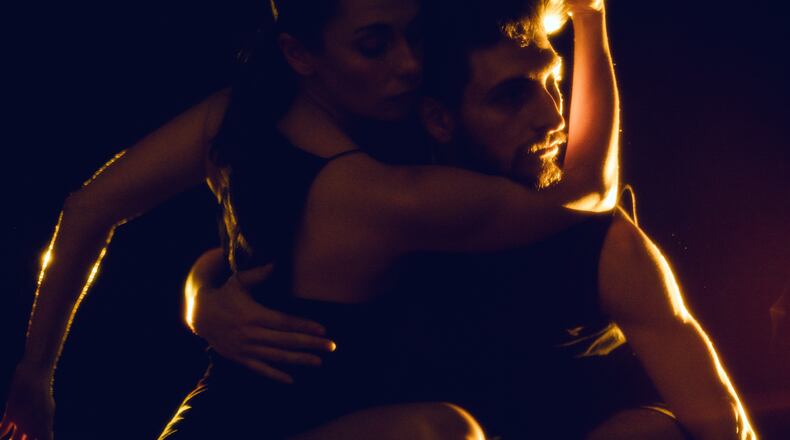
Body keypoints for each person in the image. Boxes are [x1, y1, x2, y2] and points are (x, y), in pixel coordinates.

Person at [0, 0, 621, 438]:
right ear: (300, 54)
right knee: (442, 433)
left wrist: (201, 290)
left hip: (236, 419)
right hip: (262, 427)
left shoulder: (246, 118)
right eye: (373, 46)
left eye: (413, 35)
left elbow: (94, 208)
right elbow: (589, 188)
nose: (408, 64)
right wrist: (591, 18)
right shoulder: (373, 191)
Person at [182, 0, 758, 438]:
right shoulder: (393, 205)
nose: (552, 117)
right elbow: (250, 252)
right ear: (438, 119)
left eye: (553, 83)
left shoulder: (600, 244)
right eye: (511, 96)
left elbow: (727, 426)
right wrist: (203, 300)